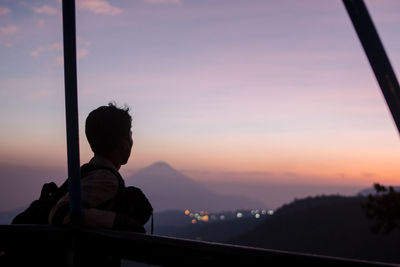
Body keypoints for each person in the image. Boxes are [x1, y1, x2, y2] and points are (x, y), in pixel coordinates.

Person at [49, 102, 152, 232]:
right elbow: (61, 213)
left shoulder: (87, 172)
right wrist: (120, 222)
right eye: (130, 134)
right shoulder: (105, 179)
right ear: (123, 142)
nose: (132, 140)